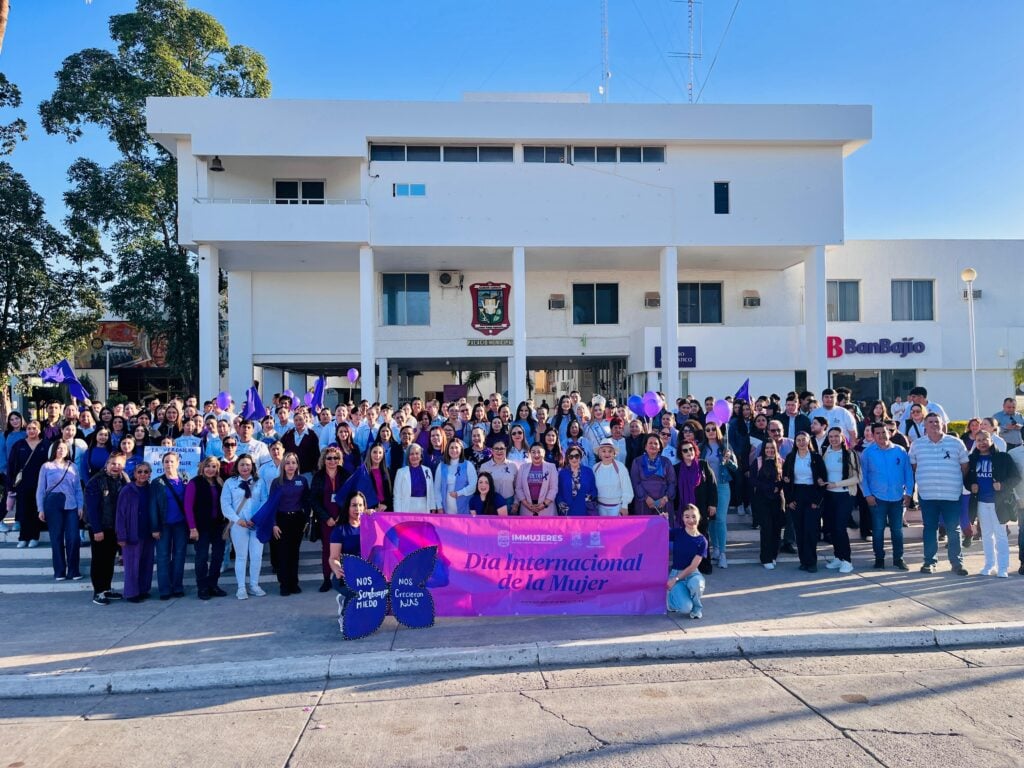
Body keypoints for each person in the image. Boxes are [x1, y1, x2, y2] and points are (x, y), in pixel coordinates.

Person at [910, 414, 970, 575]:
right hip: (928, 495)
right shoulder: (917, 445)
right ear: (925, 425)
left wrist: (954, 482)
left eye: (937, 421)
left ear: (943, 424)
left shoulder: (956, 443)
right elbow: (914, 467)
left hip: (951, 495)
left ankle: (957, 563)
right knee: (930, 528)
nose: (934, 424)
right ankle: (929, 562)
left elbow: (965, 467)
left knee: (953, 529)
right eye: (930, 422)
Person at [860, 422, 914, 570]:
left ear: (889, 433)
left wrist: (908, 493)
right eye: (877, 433)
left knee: (897, 530)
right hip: (877, 498)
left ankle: (898, 558)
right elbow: (863, 476)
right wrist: (867, 495)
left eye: (884, 432)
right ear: (872, 435)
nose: (881, 435)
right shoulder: (868, 453)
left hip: (897, 497)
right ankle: (879, 559)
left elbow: (908, 473)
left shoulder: (900, 451)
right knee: (878, 530)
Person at [967, 431, 1019, 578]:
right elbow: (966, 478)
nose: (982, 442)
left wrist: (1002, 485)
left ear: (991, 440)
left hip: (999, 503)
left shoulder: (1003, 457)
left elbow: (1016, 477)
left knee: (1001, 535)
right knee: (987, 535)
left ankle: (1003, 567)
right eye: (979, 440)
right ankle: (989, 565)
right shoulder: (972, 459)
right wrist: (971, 485)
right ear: (975, 442)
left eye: (985, 439)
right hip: (981, 503)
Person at [221, 455, 269, 599]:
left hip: (256, 524)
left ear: (252, 466)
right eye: (242, 464)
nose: (245, 467)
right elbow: (225, 504)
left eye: (248, 465)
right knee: (241, 557)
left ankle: (254, 585)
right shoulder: (230, 483)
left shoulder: (259, 482)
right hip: (239, 525)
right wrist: (237, 520)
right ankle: (241, 587)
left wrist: (257, 518)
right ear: (237, 466)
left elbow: (264, 500)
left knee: (256, 556)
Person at [36, 440, 85, 581]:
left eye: (63, 448)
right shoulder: (46, 466)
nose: (61, 450)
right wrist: (40, 508)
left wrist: (80, 506)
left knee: (73, 538)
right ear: (53, 450)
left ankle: (74, 570)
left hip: (71, 504)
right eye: (58, 448)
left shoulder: (73, 466)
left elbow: (78, 489)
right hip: (52, 504)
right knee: (56, 538)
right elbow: (40, 490)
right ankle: (59, 571)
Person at [84, 452, 128, 605]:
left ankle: (106, 588)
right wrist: (97, 529)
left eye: (119, 464)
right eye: (113, 464)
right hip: (100, 527)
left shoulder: (124, 480)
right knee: (99, 560)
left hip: (115, 528)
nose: (116, 467)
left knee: (109, 560)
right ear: (107, 464)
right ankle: (98, 592)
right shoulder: (96, 481)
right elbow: (92, 508)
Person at [782, 432, 828, 572]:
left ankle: (812, 562)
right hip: (797, 494)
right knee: (799, 530)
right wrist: (789, 500)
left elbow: (822, 479)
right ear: (795, 442)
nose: (801, 442)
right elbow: (785, 480)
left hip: (812, 495)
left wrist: (817, 501)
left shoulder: (816, 457)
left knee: (811, 530)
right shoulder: (791, 458)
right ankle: (803, 561)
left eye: (804, 440)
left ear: (809, 441)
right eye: (798, 440)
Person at [269, 452, 312, 595]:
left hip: (297, 520)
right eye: (287, 463)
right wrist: (274, 524)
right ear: (283, 465)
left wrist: (306, 520)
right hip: (281, 519)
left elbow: (306, 501)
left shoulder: (302, 480)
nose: (291, 466)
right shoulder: (277, 482)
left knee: (294, 553)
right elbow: (271, 504)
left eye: (293, 462)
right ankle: (284, 584)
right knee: (283, 553)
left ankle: (294, 583)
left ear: (297, 465)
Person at [185, 456, 227, 599]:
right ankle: (202, 587)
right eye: (208, 466)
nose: (210, 469)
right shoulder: (194, 483)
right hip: (201, 527)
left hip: (218, 525)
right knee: (202, 557)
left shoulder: (220, 482)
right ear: (202, 467)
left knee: (218, 556)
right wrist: (192, 528)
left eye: (214, 466)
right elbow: (188, 507)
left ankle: (213, 584)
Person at [328, 491, 370, 632]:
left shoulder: (370, 526)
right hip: (346, 575)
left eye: (360, 505)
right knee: (355, 591)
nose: (357, 509)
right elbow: (333, 558)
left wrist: (375, 516)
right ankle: (344, 617)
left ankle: (344, 600)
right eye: (353, 505)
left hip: (366, 574)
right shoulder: (339, 530)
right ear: (347, 507)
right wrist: (338, 569)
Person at [820, 427, 860, 574]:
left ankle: (847, 560)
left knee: (840, 528)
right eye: (831, 436)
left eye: (836, 436)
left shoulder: (850, 454)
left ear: (842, 437)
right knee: (831, 528)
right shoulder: (826, 453)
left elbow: (857, 478)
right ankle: (838, 556)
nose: (833, 439)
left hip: (844, 495)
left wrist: (836, 484)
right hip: (829, 495)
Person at [149, 451, 189, 599]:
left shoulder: (185, 479)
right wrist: (155, 527)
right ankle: (164, 589)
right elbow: (152, 506)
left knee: (179, 556)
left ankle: (177, 586)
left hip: (181, 525)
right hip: (163, 525)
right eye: (166, 461)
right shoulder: (157, 483)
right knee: (163, 557)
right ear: (162, 464)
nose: (169, 464)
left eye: (172, 461)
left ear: (178, 463)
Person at [699, 421, 737, 567]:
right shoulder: (702, 447)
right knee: (711, 519)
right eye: (707, 429)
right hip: (707, 487)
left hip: (722, 486)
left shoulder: (725, 446)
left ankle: (722, 553)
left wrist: (727, 461)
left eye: (713, 429)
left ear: (717, 430)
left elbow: (735, 467)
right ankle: (714, 548)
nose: (710, 431)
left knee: (720, 519)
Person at [117, 462, 155, 602]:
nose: (143, 474)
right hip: (132, 533)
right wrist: (121, 535)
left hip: (148, 532)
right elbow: (120, 514)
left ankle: (143, 589)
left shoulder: (151, 489)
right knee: (132, 565)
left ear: (150, 474)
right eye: (140, 472)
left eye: (146, 472)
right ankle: (131, 593)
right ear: (134, 474)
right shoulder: (127, 490)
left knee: (146, 563)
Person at [666, 505, 707, 619]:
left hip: (692, 573)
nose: (690, 520)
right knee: (685, 608)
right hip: (676, 572)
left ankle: (697, 609)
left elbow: (693, 566)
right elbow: (662, 531)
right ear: (683, 518)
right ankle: (671, 599)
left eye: (694, 516)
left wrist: (676, 579)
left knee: (697, 584)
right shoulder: (677, 533)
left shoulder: (702, 541)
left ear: (699, 518)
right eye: (687, 516)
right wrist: (663, 519)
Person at [751, 440, 785, 569]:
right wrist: (768, 487)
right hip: (762, 499)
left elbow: (785, 478)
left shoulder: (781, 461)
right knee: (766, 529)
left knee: (776, 529)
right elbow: (753, 480)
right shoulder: (758, 462)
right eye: (767, 448)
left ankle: (773, 556)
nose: (770, 450)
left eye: (772, 448)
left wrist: (778, 486)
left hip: (777, 500)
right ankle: (765, 558)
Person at [630, 433, 676, 517]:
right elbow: (635, 482)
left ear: (660, 448)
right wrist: (646, 498)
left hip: (663, 503)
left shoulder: (666, 462)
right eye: (650, 443)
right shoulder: (637, 462)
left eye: (656, 443)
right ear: (645, 446)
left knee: (663, 528)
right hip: (644, 502)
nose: (653, 445)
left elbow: (672, 482)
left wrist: (666, 498)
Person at [590, 438, 633, 517]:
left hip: (617, 508)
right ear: (599, 454)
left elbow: (627, 487)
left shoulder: (620, 467)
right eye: (604, 451)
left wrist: (624, 506)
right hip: (600, 507)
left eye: (610, 451)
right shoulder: (595, 468)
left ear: (614, 453)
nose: (607, 454)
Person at [434, 438, 478, 515]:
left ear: (461, 449)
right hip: (445, 510)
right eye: (451, 447)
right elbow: (436, 488)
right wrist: (439, 506)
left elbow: (473, 485)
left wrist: (459, 493)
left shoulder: (468, 465)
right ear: (447, 449)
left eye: (456, 447)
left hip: (464, 508)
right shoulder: (441, 466)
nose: (454, 450)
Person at [514, 444, 559, 516]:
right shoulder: (523, 467)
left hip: (547, 510)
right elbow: (518, 488)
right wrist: (527, 505)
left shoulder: (552, 467)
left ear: (544, 453)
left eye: (539, 452)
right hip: (527, 509)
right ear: (529, 454)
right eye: (533, 452)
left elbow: (553, 489)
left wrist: (544, 504)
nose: (536, 454)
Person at [393, 443, 437, 514]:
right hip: (407, 508)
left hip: (424, 508)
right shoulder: (401, 472)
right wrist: (397, 514)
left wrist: (433, 508)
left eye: (417, 453)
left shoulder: (427, 470)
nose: (414, 456)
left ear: (421, 456)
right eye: (411, 454)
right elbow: (397, 496)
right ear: (408, 456)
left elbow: (431, 491)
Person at [555, 447, 598, 516]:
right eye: (571, 456)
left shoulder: (588, 471)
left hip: (585, 511)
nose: (574, 459)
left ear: (580, 457)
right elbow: (559, 493)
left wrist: (585, 500)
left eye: (576, 456)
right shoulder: (562, 473)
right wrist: (563, 507)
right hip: (568, 512)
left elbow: (594, 490)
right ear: (567, 458)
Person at [479, 441, 518, 511]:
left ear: (505, 450)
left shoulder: (513, 466)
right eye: (496, 448)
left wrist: (516, 503)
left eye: (501, 448)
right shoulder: (484, 467)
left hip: (509, 502)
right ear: (492, 451)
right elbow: (480, 487)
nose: (499, 451)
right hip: (490, 503)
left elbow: (517, 487)